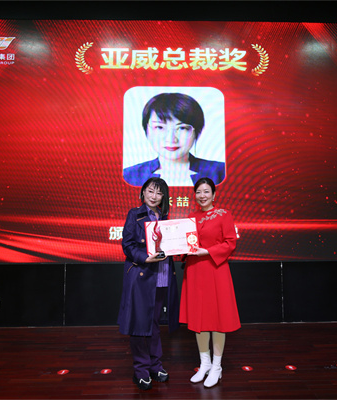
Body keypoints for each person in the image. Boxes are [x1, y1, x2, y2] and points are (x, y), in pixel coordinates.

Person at [117, 177, 180, 391]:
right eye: (150, 191)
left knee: (154, 325)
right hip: (142, 277)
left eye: (159, 193)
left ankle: (155, 365)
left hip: (161, 278)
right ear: (143, 192)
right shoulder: (134, 215)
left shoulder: (166, 219)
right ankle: (141, 369)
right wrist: (145, 257)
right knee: (139, 326)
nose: (154, 196)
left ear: (164, 197)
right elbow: (127, 245)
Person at [179, 177, 240, 388]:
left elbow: (230, 242)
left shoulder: (224, 215)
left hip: (216, 269)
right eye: (198, 192)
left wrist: (208, 251)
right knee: (199, 318)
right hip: (195, 271)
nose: (202, 195)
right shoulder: (190, 218)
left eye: (206, 191)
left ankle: (217, 366)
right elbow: (185, 245)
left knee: (217, 318)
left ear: (214, 194)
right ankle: (204, 364)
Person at [123, 93, 225, 187]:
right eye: (160, 127)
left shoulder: (221, 172)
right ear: (147, 131)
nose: (171, 139)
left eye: (182, 128)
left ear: (197, 131)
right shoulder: (129, 176)